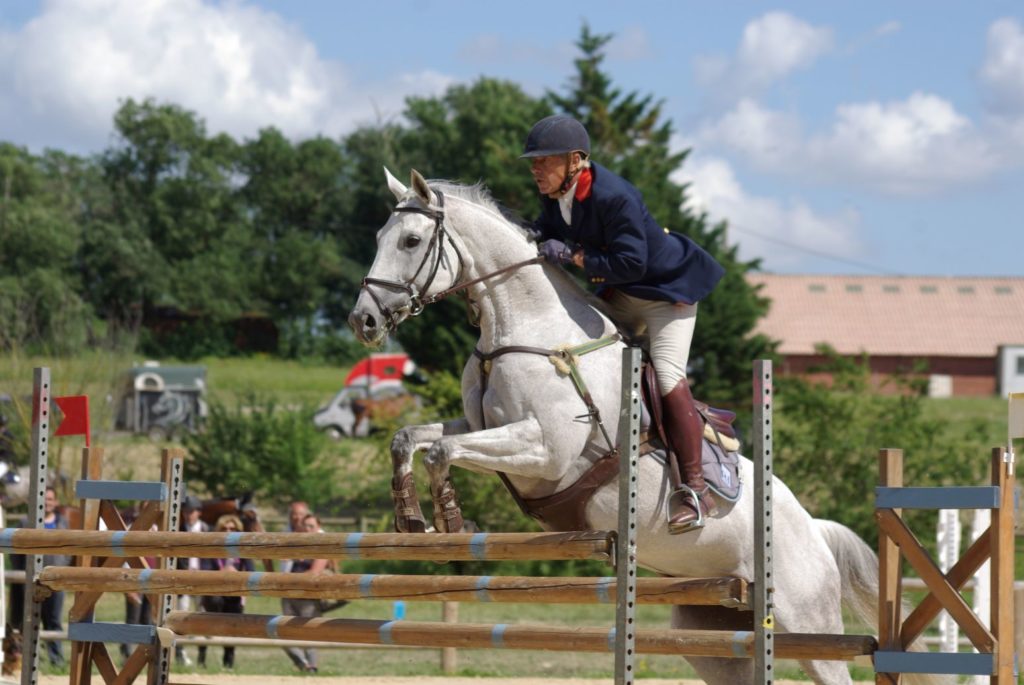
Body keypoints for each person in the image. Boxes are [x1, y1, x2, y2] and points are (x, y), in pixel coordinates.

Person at [522, 114, 725, 534]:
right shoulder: (555, 190)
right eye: (534, 161)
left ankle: (694, 489)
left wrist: (574, 257)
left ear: (576, 161)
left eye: (544, 160)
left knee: (668, 377)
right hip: (621, 293)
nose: (535, 169)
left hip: (665, 295)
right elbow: (545, 228)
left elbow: (632, 262)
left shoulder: (616, 196)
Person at [197, 514, 252, 669]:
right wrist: (224, 572)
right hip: (214, 595)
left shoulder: (244, 550)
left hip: (234, 596)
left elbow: (251, 570)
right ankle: (201, 660)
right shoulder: (212, 548)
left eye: (232, 528)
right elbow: (205, 569)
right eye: (225, 528)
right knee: (206, 627)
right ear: (218, 530)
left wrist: (237, 574)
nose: (229, 531)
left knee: (232, 627)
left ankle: (228, 663)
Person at [281, 513, 329, 673]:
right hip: (288, 595)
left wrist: (288, 579)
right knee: (284, 633)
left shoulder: (322, 547)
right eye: (305, 526)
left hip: (309, 597)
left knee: (309, 633)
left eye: (311, 526)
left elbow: (313, 573)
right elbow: (283, 564)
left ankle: (312, 667)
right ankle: (303, 665)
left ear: (318, 528)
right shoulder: (295, 545)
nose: (307, 529)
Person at [174, 495, 207, 665]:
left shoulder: (207, 529)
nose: (188, 515)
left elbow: (211, 559)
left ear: (199, 513)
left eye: (191, 512)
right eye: (186, 512)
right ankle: (181, 653)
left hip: (203, 579)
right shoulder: (178, 529)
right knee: (182, 617)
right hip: (184, 580)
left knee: (202, 617)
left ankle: (202, 657)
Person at [39, 487, 70, 666]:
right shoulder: (29, 521)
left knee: (54, 620)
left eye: (50, 499)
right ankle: (33, 658)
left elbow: (69, 551)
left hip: (57, 581)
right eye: (44, 498)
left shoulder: (63, 522)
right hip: (35, 580)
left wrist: (62, 569)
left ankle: (56, 660)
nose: (47, 502)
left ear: (55, 502)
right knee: (33, 619)